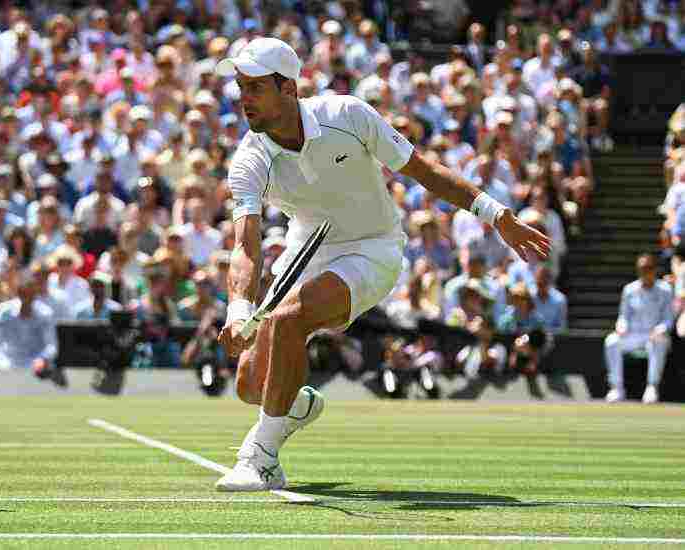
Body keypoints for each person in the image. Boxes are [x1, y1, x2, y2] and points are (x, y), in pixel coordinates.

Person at [214, 37, 550, 492]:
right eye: (241, 87)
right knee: (250, 385)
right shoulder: (249, 160)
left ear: (288, 88)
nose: (244, 99)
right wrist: (237, 310)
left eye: (255, 88)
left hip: (373, 247)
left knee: (292, 319)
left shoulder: (349, 116)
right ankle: (295, 406)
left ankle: (261, 458)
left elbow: (424, 172)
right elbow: (246, 245)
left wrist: (497, 215)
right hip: (304, 252)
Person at [604, 253, 674, 404]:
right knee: (612, 341)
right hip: (633, 335)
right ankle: (616, 388)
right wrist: (621, 327)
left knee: (658, 342)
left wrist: (660, 329)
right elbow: (623, 316)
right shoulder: (629, 290)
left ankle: (652, 387)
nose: (644, 272)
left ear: (654, 270)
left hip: (655, 335)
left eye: (648, 269)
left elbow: (668, 319)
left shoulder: (665, 289)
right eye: (641, 269)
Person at [0, 271, 64, 387]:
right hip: (8, 363)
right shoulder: (4, 311)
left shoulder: (45, 313)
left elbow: (51, 346)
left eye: (30, 293)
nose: (27, 296)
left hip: (35, 365)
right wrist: (1, 361)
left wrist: (42, 359)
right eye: (23, 292)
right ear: (18, 292)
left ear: (35, 293)